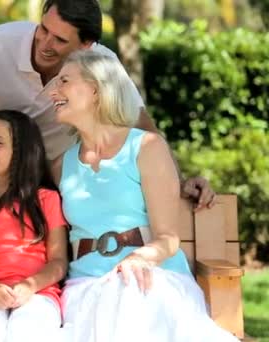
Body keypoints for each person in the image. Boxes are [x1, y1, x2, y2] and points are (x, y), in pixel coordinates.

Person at [51, 50, 239, 341]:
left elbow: (168, 238)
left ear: (96, 90)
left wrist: (139, 258)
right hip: (87, 287)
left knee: (129, 296)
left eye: (63, 81)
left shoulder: (147, 147)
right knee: (118, 301)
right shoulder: (62, 165)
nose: (54, 90)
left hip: (155, 279)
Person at [0, 0, 216, 209]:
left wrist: (179, 182)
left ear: (86, 45)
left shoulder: (99, 64)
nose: (45, 43)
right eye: (43, 29)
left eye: (60, 40)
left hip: (52, 177)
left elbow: (142, 125)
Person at [0, 110, 67, 342]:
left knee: (27, 332)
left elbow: (59, 262)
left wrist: (30, 286)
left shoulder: (46, 199)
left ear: (21, 153)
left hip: (38, 293)